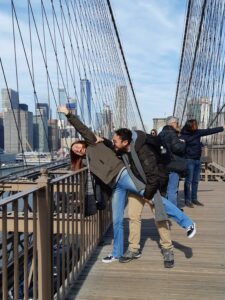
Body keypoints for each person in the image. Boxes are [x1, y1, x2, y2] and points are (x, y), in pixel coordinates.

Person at [57, 106, 196, 264]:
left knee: (152, 198)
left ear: (82, 142)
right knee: (118, 219)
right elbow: (111, 150)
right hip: (116, 186)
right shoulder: (85, 163)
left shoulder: (93, 143)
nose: (78, 149)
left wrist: (69, 115)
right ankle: (116, 253)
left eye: (77, 146)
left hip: (123, 175)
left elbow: (82, 128)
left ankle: (187, 223)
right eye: (75, 150)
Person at [110, 128, 196, 266]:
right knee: (133, 216)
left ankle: (167, 249)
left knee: (160, 217)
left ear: (125, 142)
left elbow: (153, 176)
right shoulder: (123, 149)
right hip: (136, 186)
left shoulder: (143, 151)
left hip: (153, 186)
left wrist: (147, 195)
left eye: (115, 141)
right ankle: (133, 249)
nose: (112, 143)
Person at [180, 119, 225, 207]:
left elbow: (209, 131)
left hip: (197, 160)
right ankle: (187, 200)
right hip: (189, 160)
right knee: (188, 181)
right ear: (190, 126)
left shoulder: (197, 132)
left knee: (196, 181)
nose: (196, 126)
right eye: (194, 125)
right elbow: (180, 148)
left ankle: (194, 199)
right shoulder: (183, 135)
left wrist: (222, 128)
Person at [159, 116, 186, 207]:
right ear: (172, 124)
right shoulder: (172, 134)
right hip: (173, 164)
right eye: (177, 123)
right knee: (172, 189)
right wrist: (183, 143)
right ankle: (173, 211)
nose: (178, 125)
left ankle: (165, 208)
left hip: (163, 165)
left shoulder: (160, 134)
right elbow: (178, 148)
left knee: (165, 189)